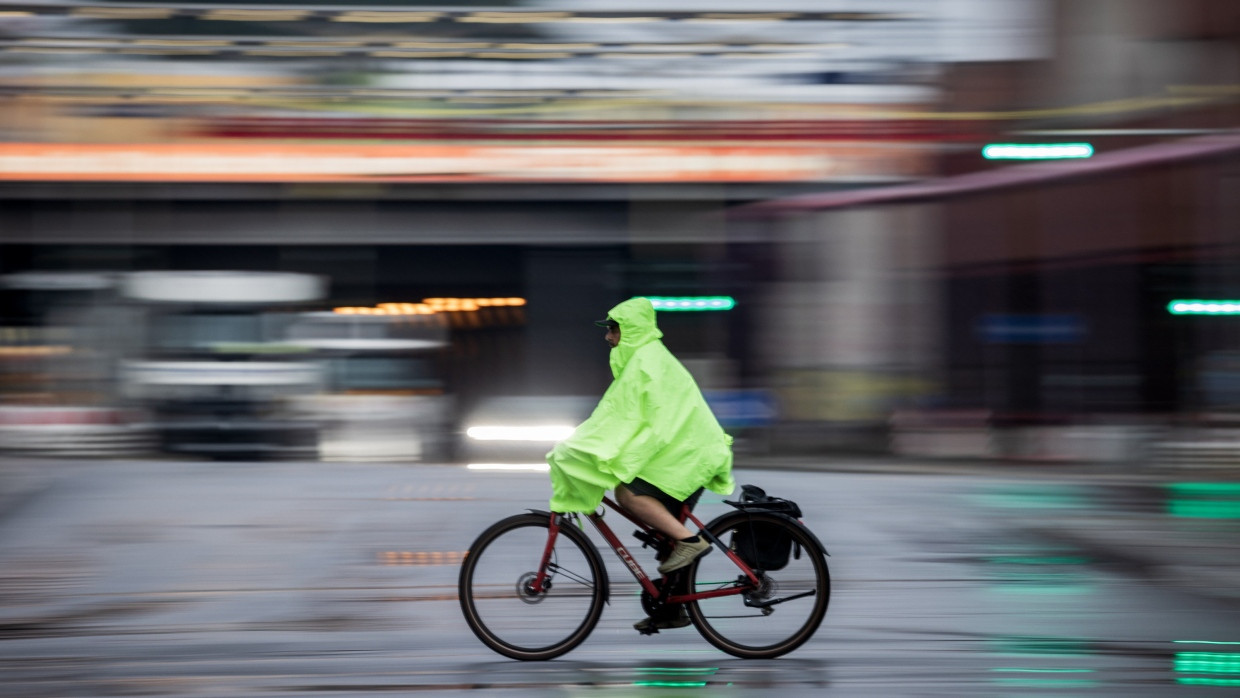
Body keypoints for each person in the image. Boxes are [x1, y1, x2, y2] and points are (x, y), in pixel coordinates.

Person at [546, 297, 735, 631]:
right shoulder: (648, 359)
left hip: (687, 454)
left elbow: (620, 420)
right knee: (661, 535)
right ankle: (672, 608)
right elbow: (622, 418)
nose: (608, 337)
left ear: (631, 330)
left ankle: (691, 542)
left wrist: (580, 449)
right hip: (686, 451)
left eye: (614, 330)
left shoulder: (645, 363)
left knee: (629, 495)